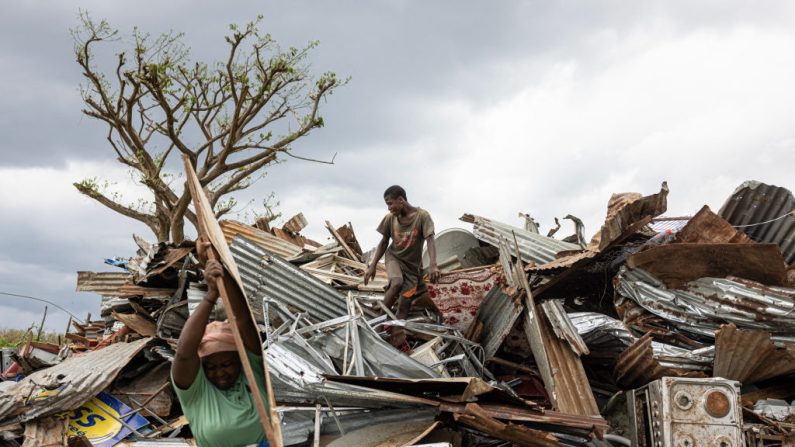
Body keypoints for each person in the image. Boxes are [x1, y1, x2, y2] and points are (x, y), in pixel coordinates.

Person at [171, 239, 270, 447]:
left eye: (226, 364)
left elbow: (242, 319)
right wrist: (211, 295)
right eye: (211, 367)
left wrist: (221, 272)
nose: (219, 373)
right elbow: (184, 354)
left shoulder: (253, 376)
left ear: (240, 360)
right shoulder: (197, 393)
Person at [364, 185, 440, 349]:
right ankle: (378, 321)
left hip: (413, 268)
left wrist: (433, 264)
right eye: (387, 205)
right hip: (394, 258)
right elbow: (384, 242)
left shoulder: (422, 216)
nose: (389, 208)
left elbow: (430, 240)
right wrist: (372, 266)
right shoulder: (390, 218)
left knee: (405, 301)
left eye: (391, 203)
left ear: (401, 200)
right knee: (397, 282)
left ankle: (395, 338)